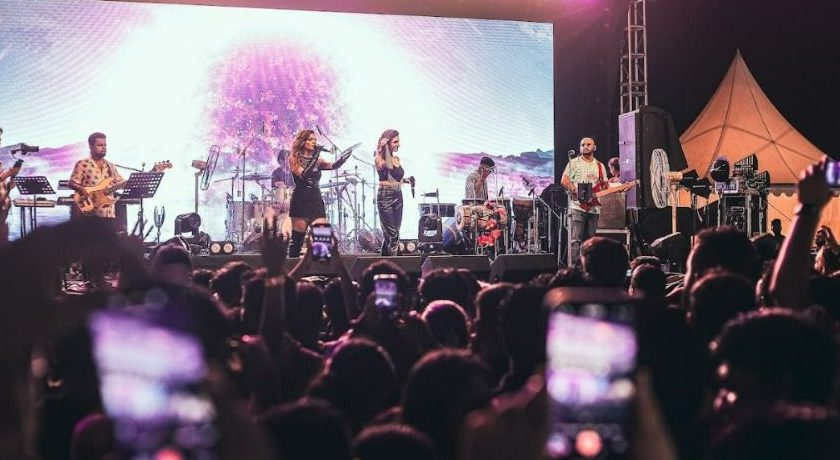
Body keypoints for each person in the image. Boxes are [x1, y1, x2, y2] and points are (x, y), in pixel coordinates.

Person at [287, 129, 350, 257]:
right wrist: (315, 156)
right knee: (297, 241)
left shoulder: (318, 160)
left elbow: (333, 165)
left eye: (315, 140)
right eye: (311, 140)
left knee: (322, 238)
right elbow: (304, 175)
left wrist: (343, 158)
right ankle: (292, 272)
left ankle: (322, 273)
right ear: (303, 142)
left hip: (315, 198)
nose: (314, 142)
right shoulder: (294, 159)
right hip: (301, 199)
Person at [561, 137, 608, 267]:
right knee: (575, 240)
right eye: (582, 144)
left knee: (591, 242)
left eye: (588, 144)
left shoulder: (600, 166)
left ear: (594, 147)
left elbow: (605, 186)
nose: (585, 146)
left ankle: (589, 269)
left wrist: (605, 184)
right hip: (577, 206)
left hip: (594, 208)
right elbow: (564, 181)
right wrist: (576, 190)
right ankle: (575, 271)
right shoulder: (573, 163)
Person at [68, 132, 124, 223]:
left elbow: (122, 183)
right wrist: (82, 189)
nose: (104, 147)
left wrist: (151, 173)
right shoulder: (83, 164)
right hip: (89, 215)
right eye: (100, 145)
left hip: (108, 214)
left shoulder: (111, 166)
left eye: (105, 145)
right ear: (91, 146)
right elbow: (71, 183)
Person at [375, 129, 410, 256]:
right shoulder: (378, 158)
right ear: (388, 143)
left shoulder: (396, 158)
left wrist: (406, 180)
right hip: (385, 197)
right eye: (395, 142)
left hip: (398, 195)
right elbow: (389, 166)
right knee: (393, 235)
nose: (398, 144)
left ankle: (383, 264)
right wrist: (385, 147)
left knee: (393, 234)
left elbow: (396, 177)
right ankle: (394, 267)